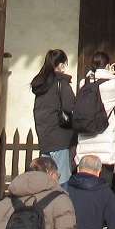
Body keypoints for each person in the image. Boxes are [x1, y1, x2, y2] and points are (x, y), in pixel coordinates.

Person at [72, 54, 115, 198]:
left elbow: (95, 80)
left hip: (87, 135)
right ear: (107, 64)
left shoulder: (84, 83)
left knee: (88, 177)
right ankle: (103, 213)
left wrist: (106, 73)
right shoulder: (113, 85)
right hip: (106, 136)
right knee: (105, 180)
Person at [29, 49, 77, 181]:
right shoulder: (61, 82)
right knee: (62, 180)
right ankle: (61, 202)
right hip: (60, 137)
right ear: (61, 64)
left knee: (46, 180)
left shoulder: (41, 84)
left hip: (45, 137)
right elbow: (69, 106)